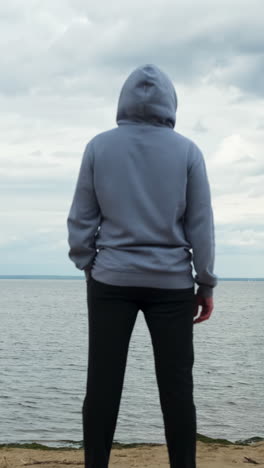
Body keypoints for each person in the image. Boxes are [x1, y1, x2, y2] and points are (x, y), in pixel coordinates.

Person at [67, 63, 217, 468]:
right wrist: (205, 283)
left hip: (110, 279)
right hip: (171, 285)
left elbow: (82, 217)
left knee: (102, 382)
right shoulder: (188, 151)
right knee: (176, 388)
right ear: (171, 102)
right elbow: (200, 224)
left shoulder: (99, 146)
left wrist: (88, 263)